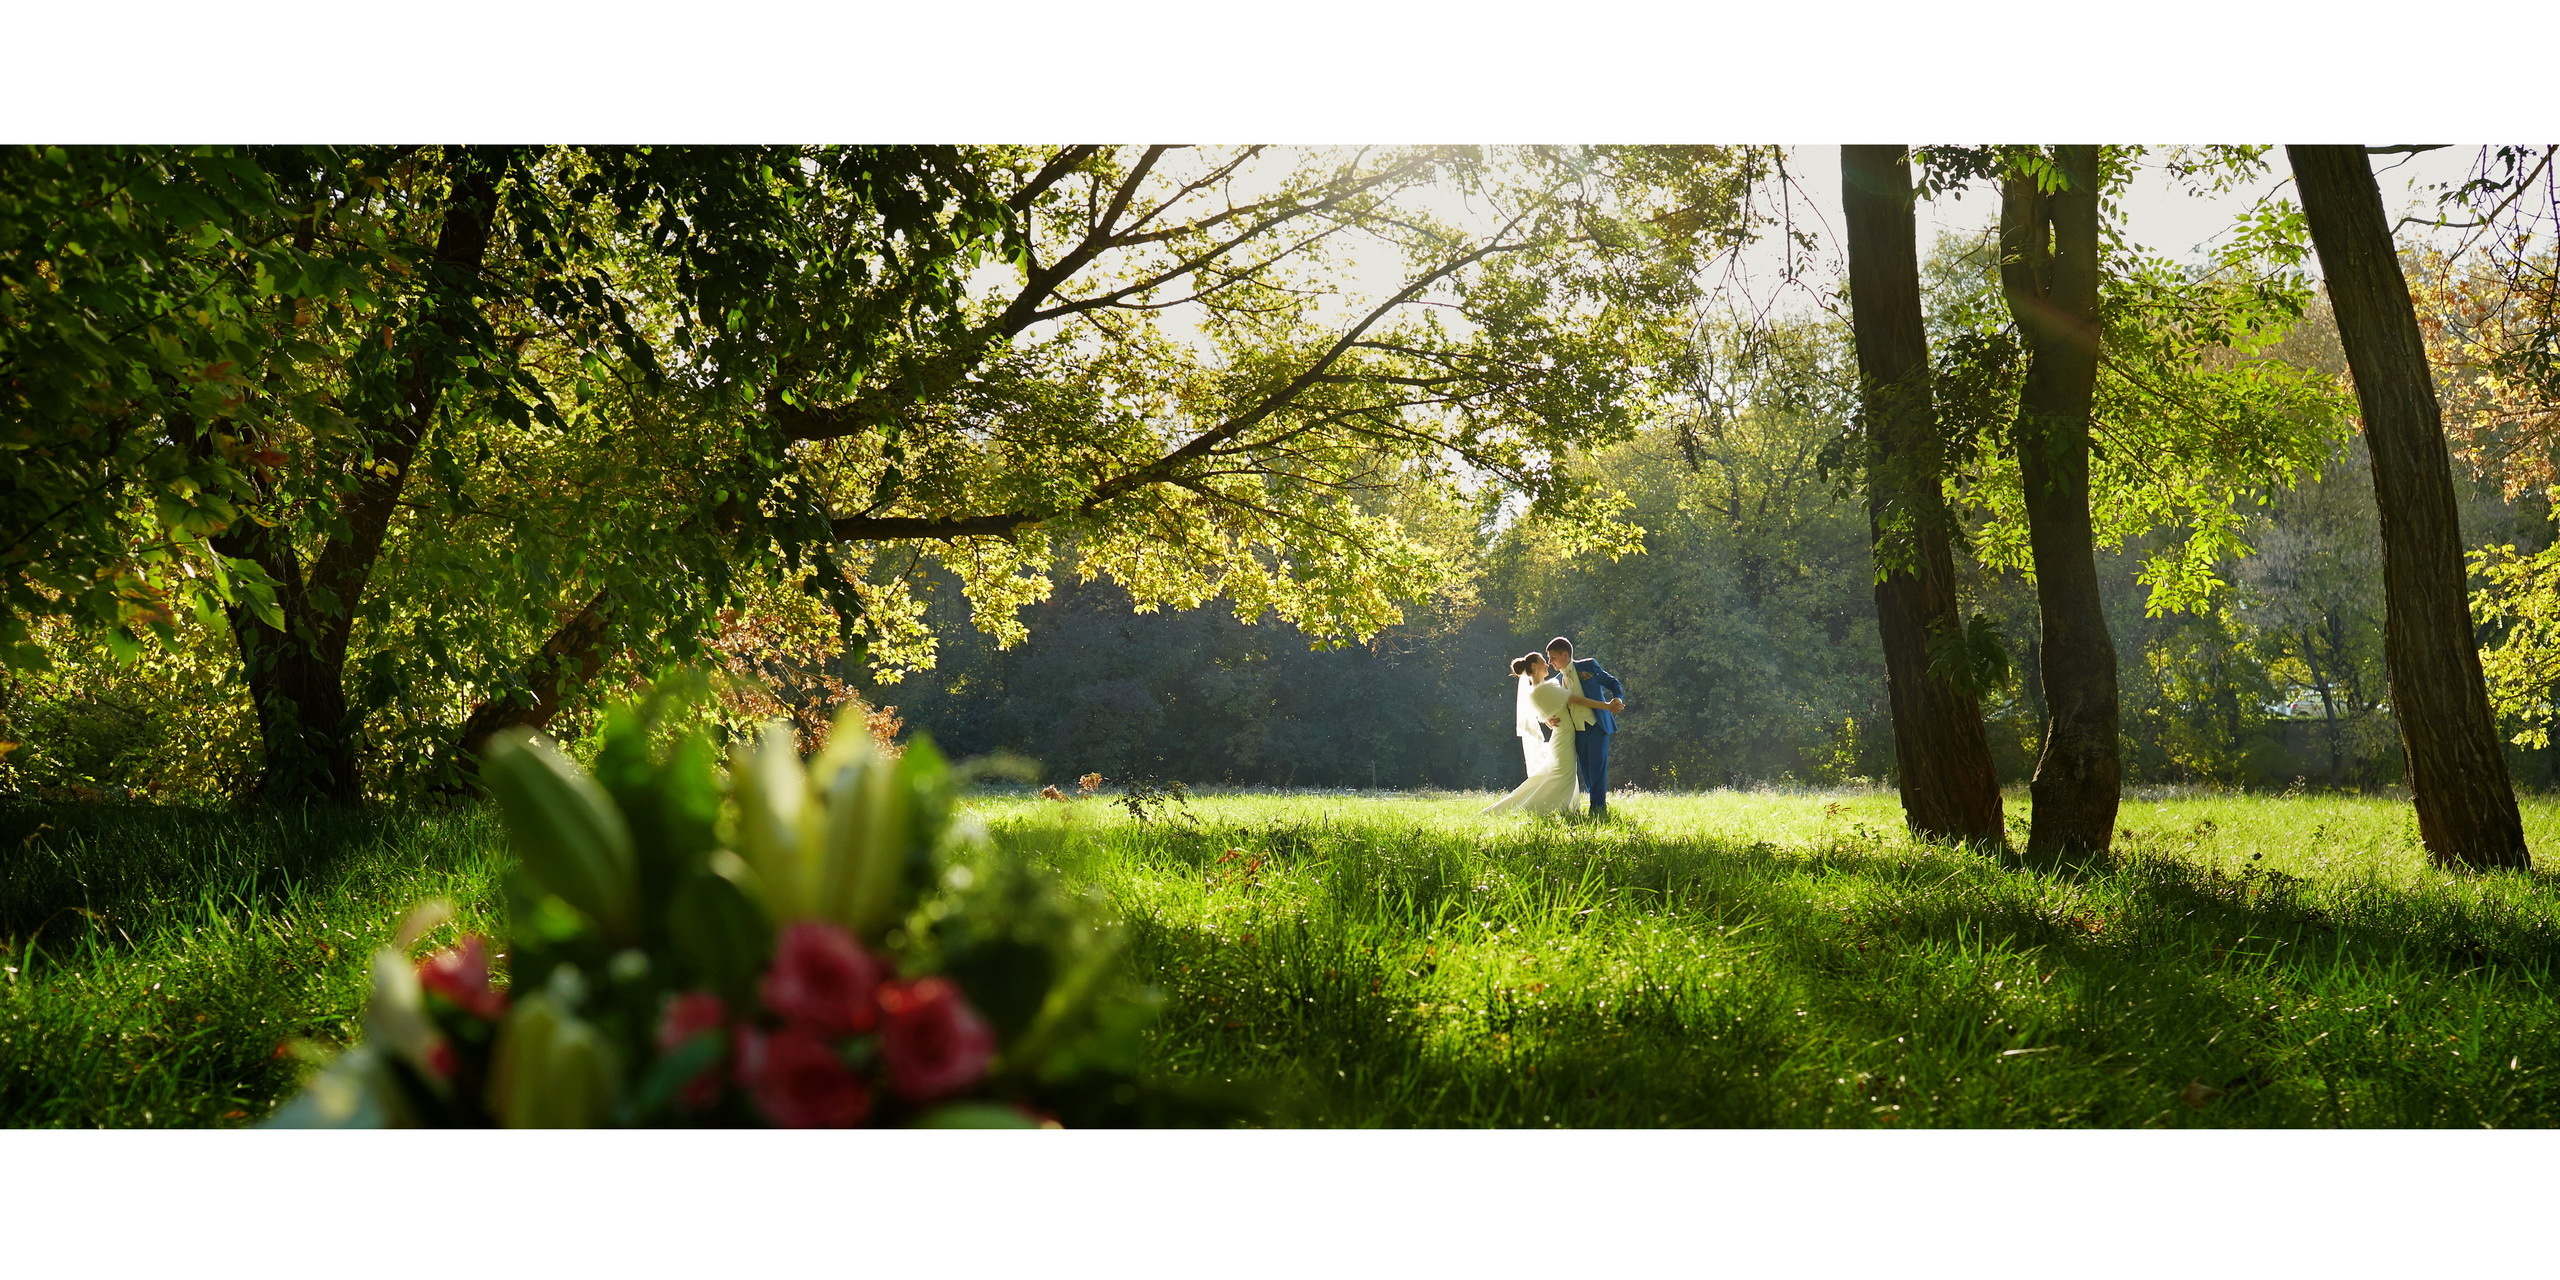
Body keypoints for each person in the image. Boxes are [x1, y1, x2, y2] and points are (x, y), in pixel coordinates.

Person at [1481, 652, 1576, 814]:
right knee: (1556, 775)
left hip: (1562, 733)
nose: (1547, 664)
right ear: (1534, 666)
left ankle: (1563, 808)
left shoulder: (1548, 685)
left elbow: (1543, 709)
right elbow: (1542, 707)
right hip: (1562, 735)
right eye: (1543, 662)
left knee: (1548, 775)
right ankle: (1530, 808)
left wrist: (1547, 719)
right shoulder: (1540, 689)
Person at [1546, 636, 1625, 819]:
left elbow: (1613, 682)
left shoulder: (1588, 666)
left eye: (1553, 658)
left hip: (1597, 725)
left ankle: (1597, 811)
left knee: (1597, 769)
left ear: (1565, 654)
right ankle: (1597, 805)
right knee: (1587, 772)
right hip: (1577, 731)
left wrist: (1617, 698)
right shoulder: (1557, 681)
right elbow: (1550, 707)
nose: (1550, 663)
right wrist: (1547, 720)